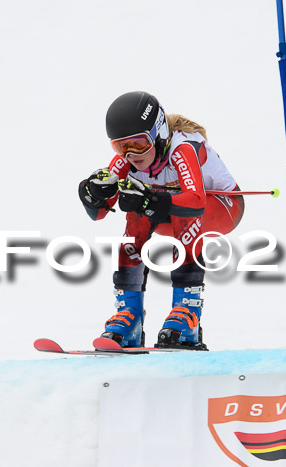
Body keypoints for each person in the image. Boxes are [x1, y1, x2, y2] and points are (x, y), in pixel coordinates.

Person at [78, 91, 244, 350]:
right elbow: (98, 214)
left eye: (139, 143)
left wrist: (151, 199)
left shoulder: (182, 149)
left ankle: (187, 315)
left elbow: (196, 201)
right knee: (136, 211)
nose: (131, 154)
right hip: (174, 213)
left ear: (159, 133)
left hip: (222, 209)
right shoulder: (125, 162)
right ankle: (130, 316)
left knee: (155, 204)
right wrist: (92, 194)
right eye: (121, 146)